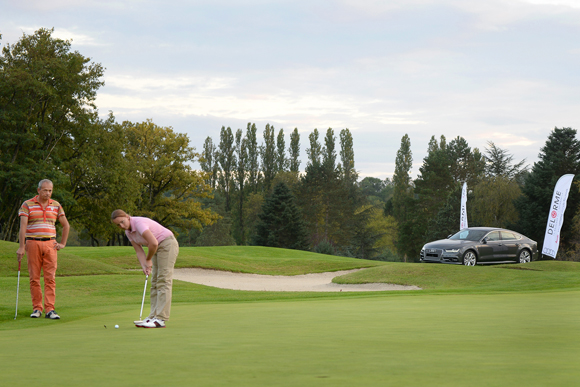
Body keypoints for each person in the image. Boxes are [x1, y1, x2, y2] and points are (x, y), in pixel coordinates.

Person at [111, 210, 179, 328]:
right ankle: (153, 316)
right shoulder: (128, 232)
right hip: (156, 247)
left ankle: (160, 319)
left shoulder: (139, 223)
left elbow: (153, 243)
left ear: (127, 217)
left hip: (167, 244)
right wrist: (144, 266)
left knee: (163, 280)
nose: (122, 226)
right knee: (154, 282)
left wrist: (148, 260)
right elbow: (138, 250)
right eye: (118, 225)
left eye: (122, 222)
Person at [16, 179, 69, 320]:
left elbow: (66, 225)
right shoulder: (27, 205)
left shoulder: (56, 205)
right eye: (45, 190)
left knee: (50, 278)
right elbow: (22, 227)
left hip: (50, 244)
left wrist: (62, 243)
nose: (48, 193)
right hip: (32, 243)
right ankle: (37, 308)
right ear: (38, 190)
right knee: (34, 278)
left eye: (50, 190)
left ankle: (50, 309)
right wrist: (21, 247)